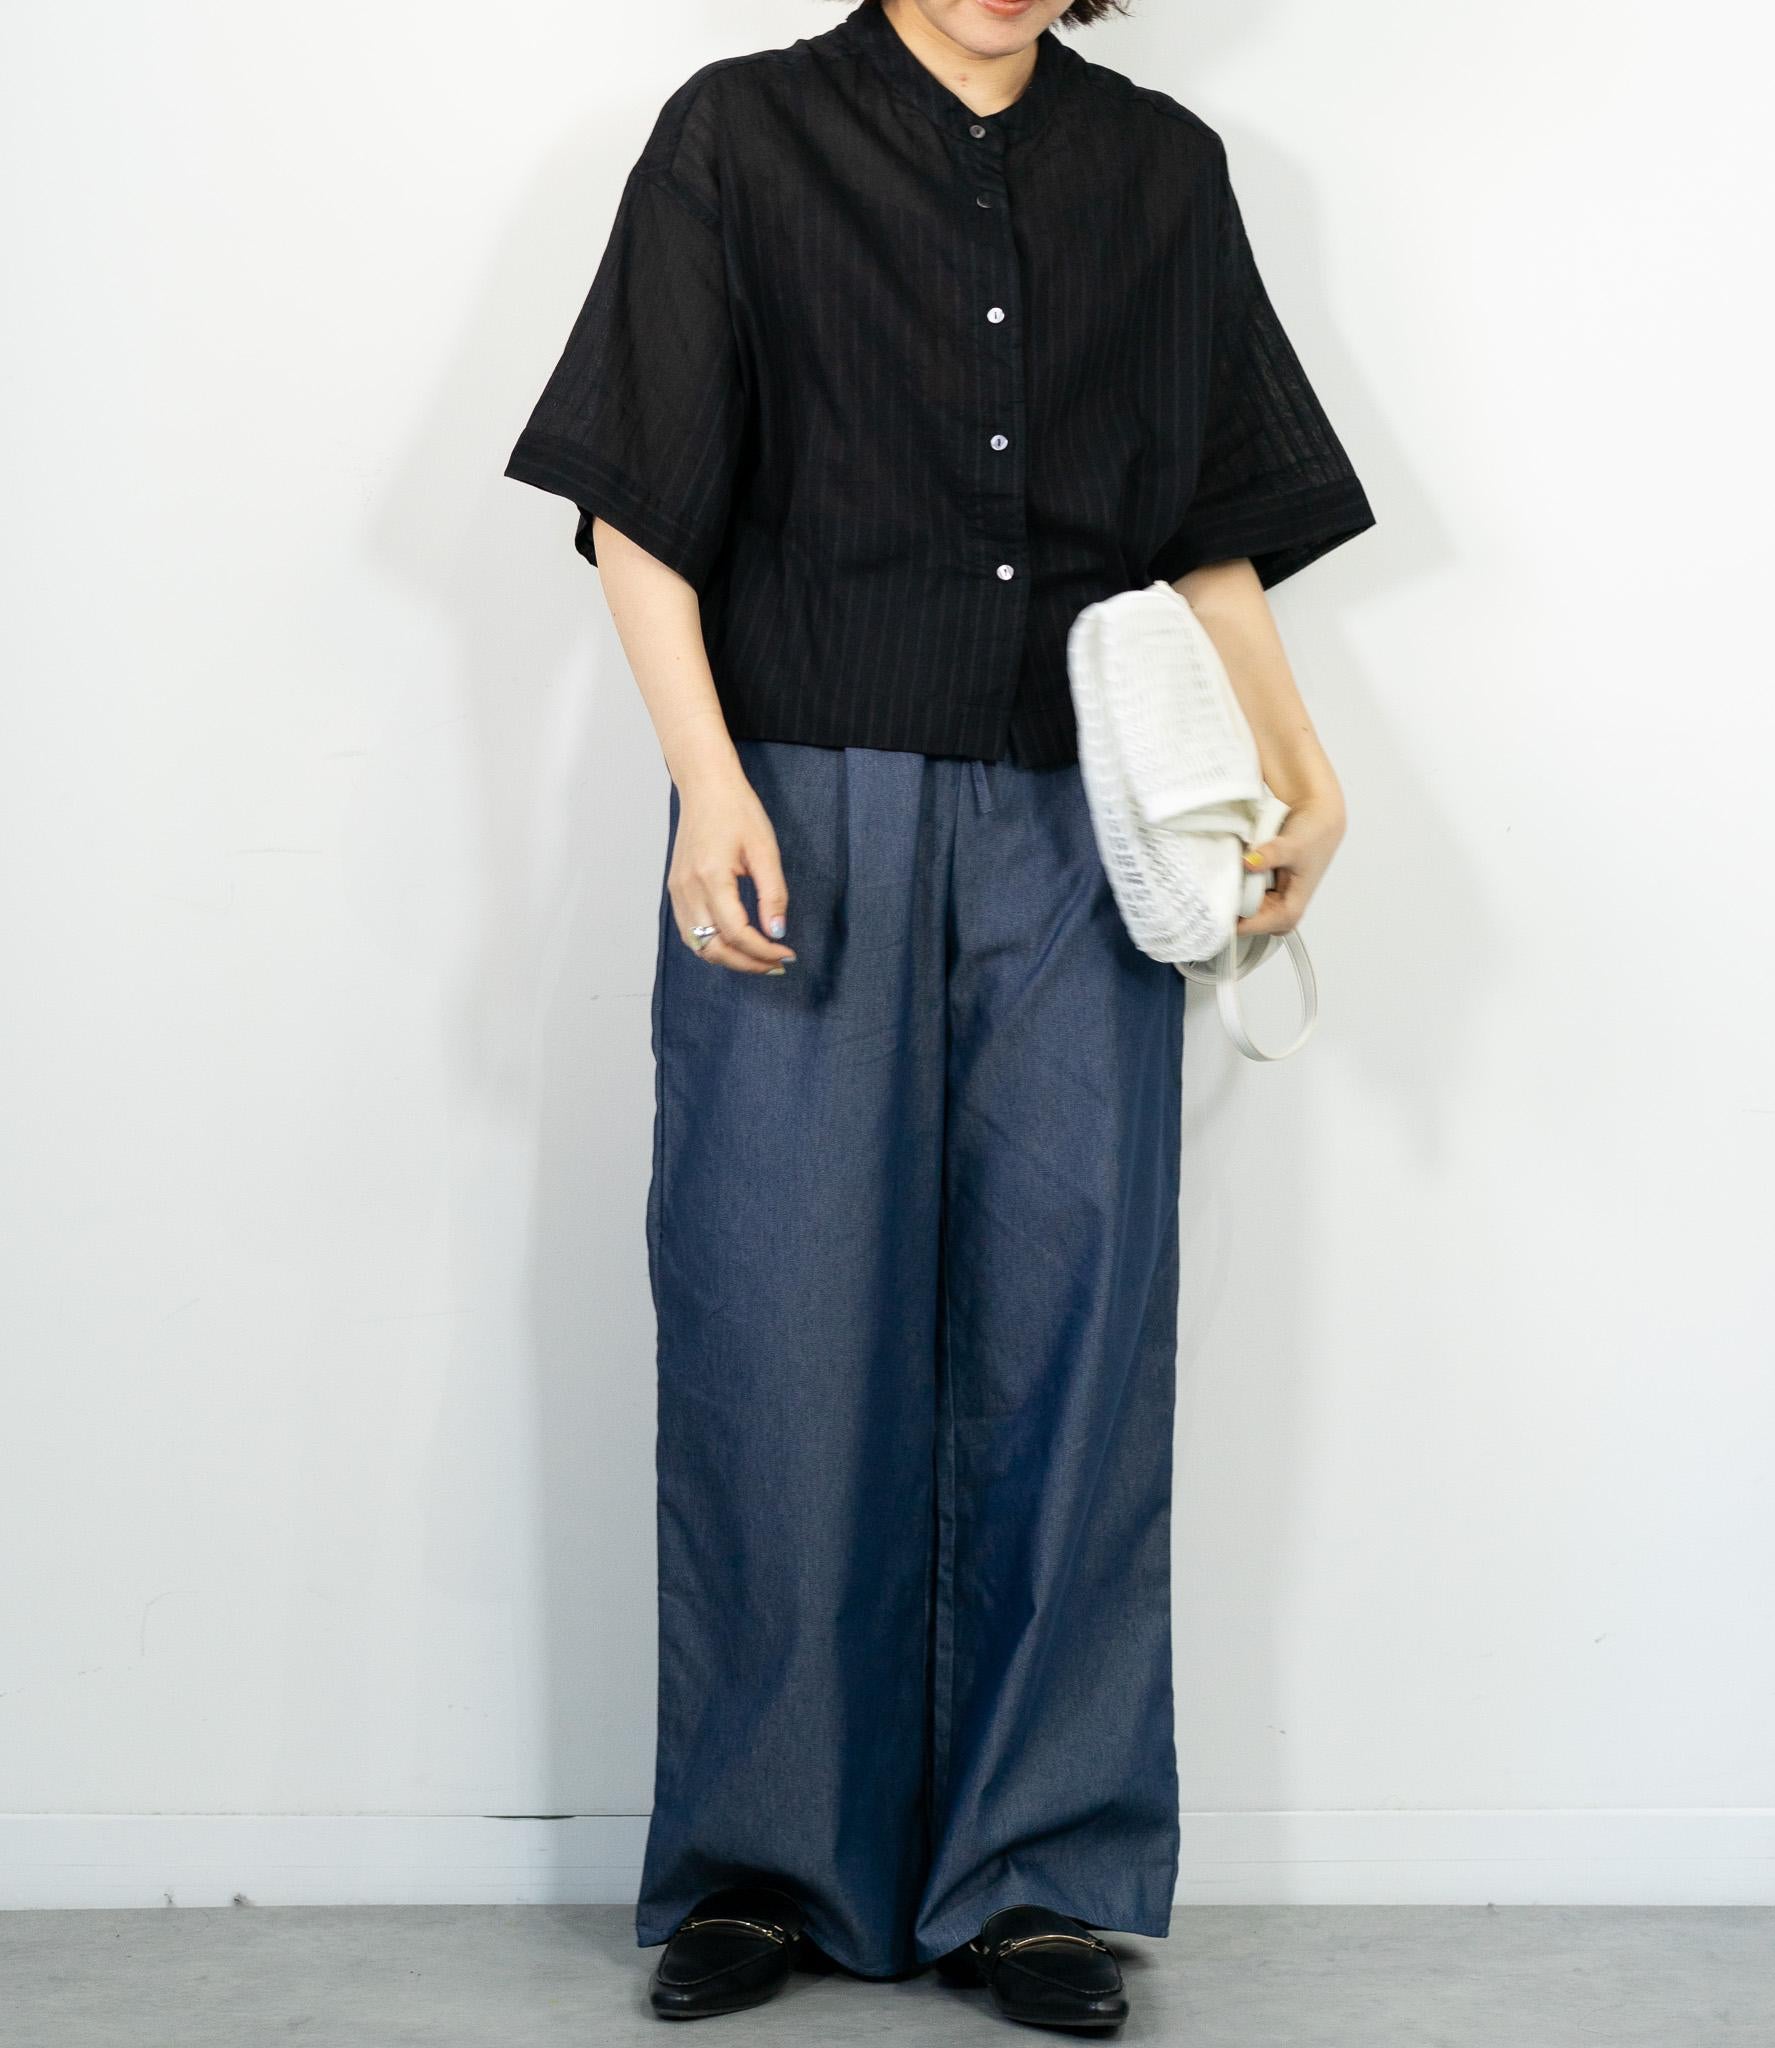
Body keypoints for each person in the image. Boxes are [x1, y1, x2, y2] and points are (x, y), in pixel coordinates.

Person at [503, 0, 1374, 2029]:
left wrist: (1302, 761)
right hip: (808, 804)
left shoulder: (1160, 172)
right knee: (777, 1321)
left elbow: (1208, 531)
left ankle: (1036, 1878)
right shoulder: (740, 139)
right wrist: (706, 779)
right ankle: (763, 1867)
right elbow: (639, 508)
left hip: (1084, 824)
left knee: (1074, 1334)